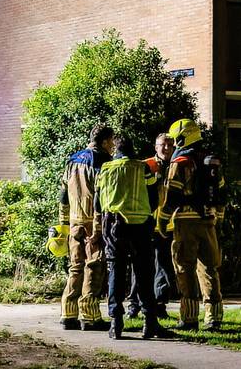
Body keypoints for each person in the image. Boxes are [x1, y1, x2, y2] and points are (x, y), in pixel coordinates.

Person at [95, 135, 176, 340]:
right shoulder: (143, 168)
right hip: (140, 227)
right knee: (144, 274)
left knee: (116, 273)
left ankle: (116, 323)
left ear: (116, 150)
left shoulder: (105, 169)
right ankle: (150, 323)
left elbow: (97, 203)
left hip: (113, 226)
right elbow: (153, 197)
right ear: (133, 150)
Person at [159, 118, 225, 331]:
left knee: (184, 269)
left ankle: (188, 318)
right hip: (208, 220)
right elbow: (221, 192)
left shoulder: (180, 163)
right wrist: (218, 217)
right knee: (209, 268)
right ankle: (214, 317)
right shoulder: (211, 161)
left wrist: (162, 220)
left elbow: (172, 196)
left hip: (185, 223)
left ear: (181, 137)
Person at [58, 125, 114, 331]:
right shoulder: (103, 162)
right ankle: (89, 316)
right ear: (106, 141)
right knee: (93, 266)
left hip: (74, 220)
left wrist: (64, 221)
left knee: (75, 266)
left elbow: (63, 193)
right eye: (112, 141)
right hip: (93, 221)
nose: (113, 146)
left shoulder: (72, 160)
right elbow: (100, 196)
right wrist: (100, 226)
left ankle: (68, 313)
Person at [128, 132, 177, 320]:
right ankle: (134, 304)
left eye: (170, 145)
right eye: (163, 145)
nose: (166, 148)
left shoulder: (176, 166)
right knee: (139, 265)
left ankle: (160, 303)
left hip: (167, 225)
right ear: (155, 147)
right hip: (146, 222)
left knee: (164, 267)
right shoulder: (146, 165)